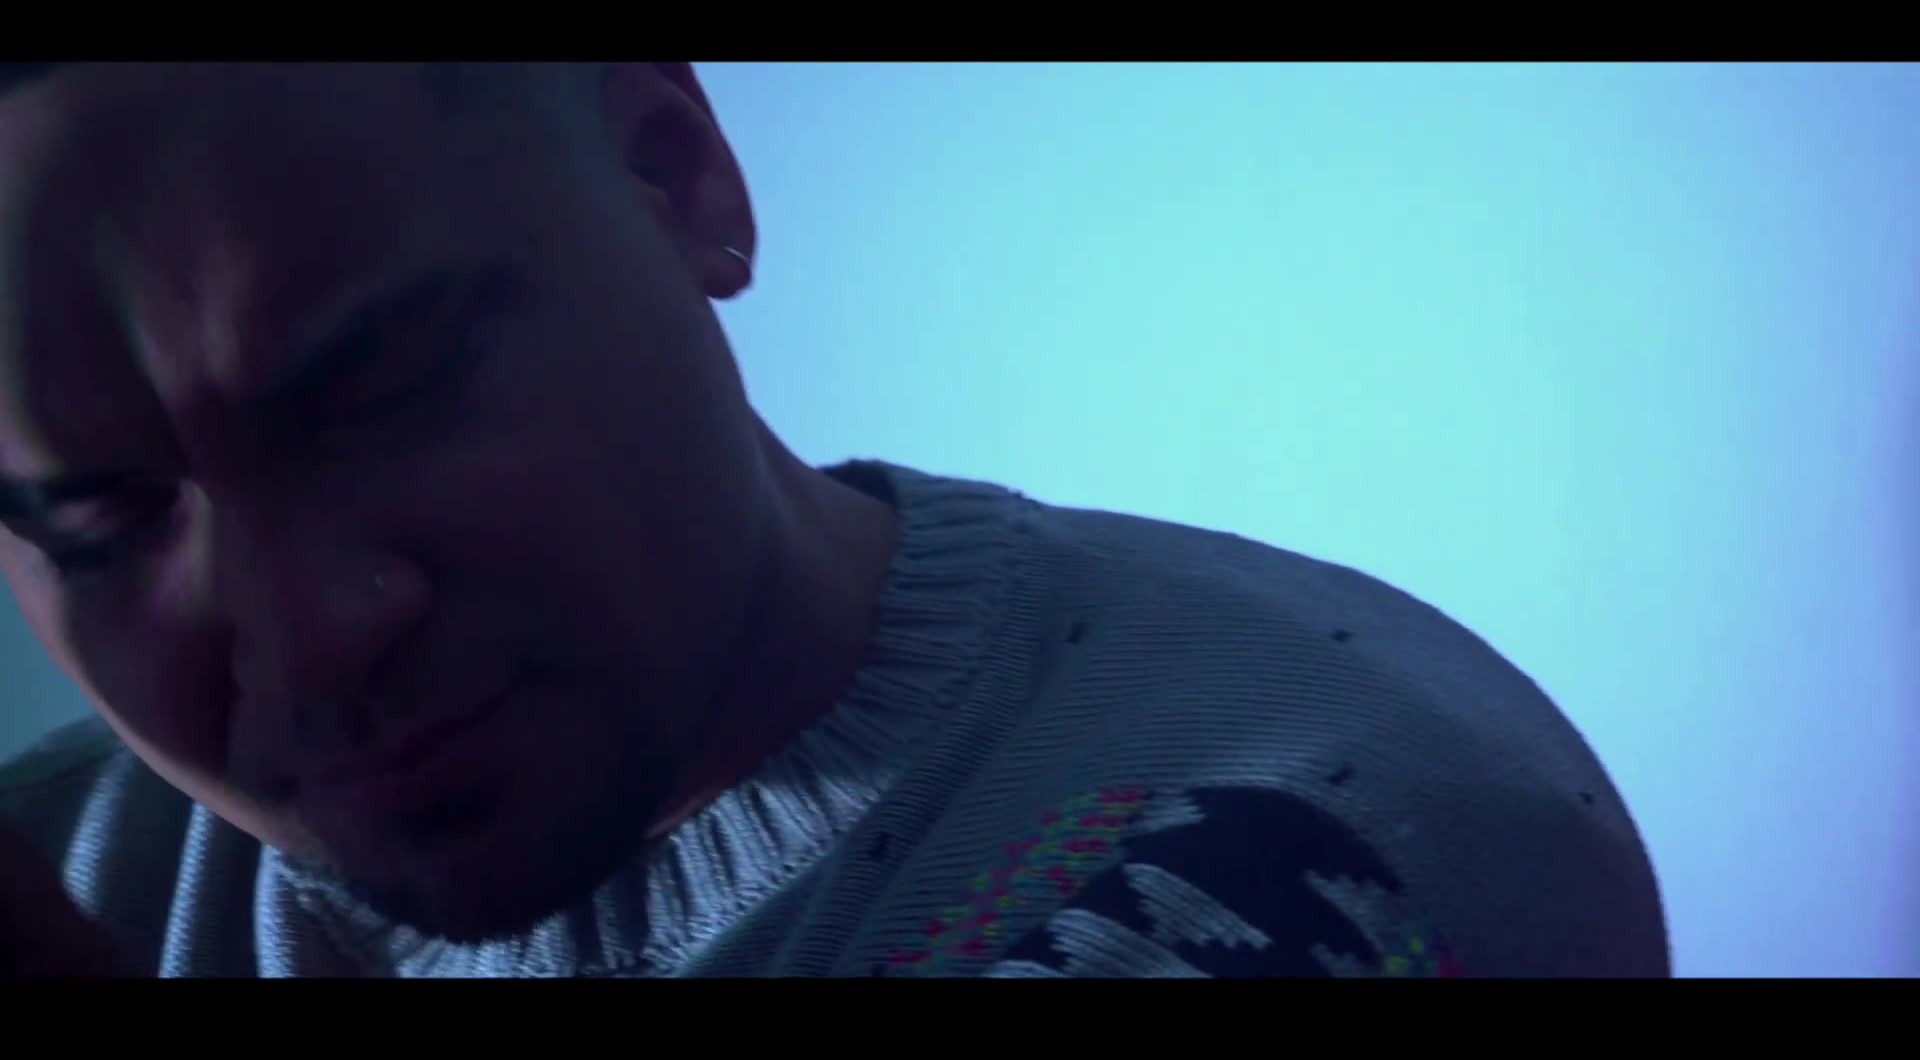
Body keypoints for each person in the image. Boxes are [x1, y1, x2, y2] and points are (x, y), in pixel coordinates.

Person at [0, 61, 1668, 978]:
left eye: (382, 394)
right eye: (98, 522)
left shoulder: (1326, 824)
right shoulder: (72, 857)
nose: (304, 637)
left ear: (677, 180)